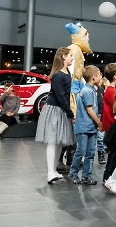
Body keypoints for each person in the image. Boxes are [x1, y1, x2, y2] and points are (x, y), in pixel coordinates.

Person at [35, 47, 76, 184]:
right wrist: (70, 113)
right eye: (70, 55)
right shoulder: (59, 75)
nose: (72, 58)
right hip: (55, 110)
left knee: (58, 142)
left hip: (61, 110)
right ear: (63, 56)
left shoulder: (66, 73)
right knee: (53, 141)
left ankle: (53, 171)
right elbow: (60, 96)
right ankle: (50, 173)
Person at [68, 65, 103, 185]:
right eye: (99, 75)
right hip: (84, 127)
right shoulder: (87, 91)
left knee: (91, 152)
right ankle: (73, 172)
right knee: (81, 151)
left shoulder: (92, 90)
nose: (101, 77)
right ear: (93, 77)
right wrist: (99, 122)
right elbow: (90, 110)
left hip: (91, 127)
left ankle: (86, 176)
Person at [96, 77, 109, 165]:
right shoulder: (94, 90)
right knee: (99, 136)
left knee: (101, 136)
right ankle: (100, 153)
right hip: (96, 113)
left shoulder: (101, 90)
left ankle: (101, 152)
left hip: (101, 113)